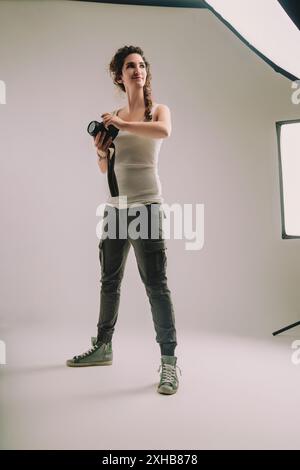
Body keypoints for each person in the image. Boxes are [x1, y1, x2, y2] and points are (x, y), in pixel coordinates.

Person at [66, 45, 181, 395]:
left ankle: (169, 365)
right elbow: (107, 168)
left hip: (147, 208)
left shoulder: (155, 112)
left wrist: (122, 124)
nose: (137, 70)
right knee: (109, 281)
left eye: (142, 65)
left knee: (156, 286)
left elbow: (163, 133)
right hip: (116, 209)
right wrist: (101, 151)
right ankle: (103, 346)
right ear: (119, 75)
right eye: (130, 66)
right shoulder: (113, 117)